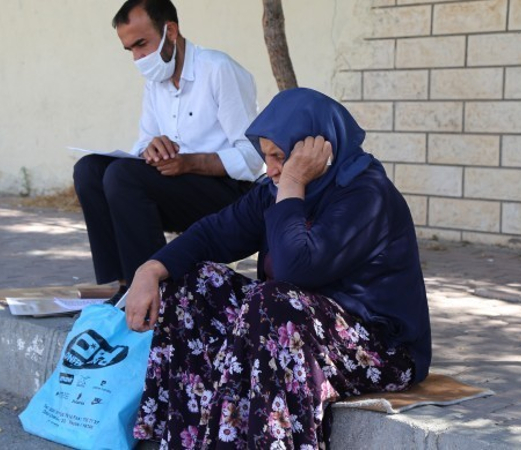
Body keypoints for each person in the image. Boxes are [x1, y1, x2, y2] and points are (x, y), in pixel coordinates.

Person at [125, 88, 432, 448]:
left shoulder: (367, 195)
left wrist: (293, 183)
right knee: (193, 283)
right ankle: (189, 441)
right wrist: (149, 270)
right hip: (298, 329)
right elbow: (213, 233)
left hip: (379, 349)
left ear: (320, 151)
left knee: (274, 302)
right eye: (266, 156)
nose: (270, 169)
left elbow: (294, 271)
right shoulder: (274, 190)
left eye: (280, 157)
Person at [73, 0, 264, 304]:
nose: (138, 58)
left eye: (141, 44)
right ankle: (126, 287)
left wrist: (190, 163)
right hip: (183, 190)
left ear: (170, 31)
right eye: (130, 50)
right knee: (89, 170)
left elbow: (255, 158)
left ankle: (157, 294)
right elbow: (142, 143)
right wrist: (151, 149)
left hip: (233, 199)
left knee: (122, 176)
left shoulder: (218, 69)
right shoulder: (156, 82)